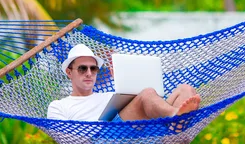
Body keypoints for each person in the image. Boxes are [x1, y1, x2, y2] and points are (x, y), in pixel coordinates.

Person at [47, 43, 201, 122]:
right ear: (69, 72)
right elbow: (66, 139)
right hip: (106, 142)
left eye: (93, 69)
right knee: (147, 93)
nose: (89, 73)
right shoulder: (59, 106)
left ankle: (176, 123)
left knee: (185, 89)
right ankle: (175, 116)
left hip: (142, 130)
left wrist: (121, 79)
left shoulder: (111, 97)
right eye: (82, 69)